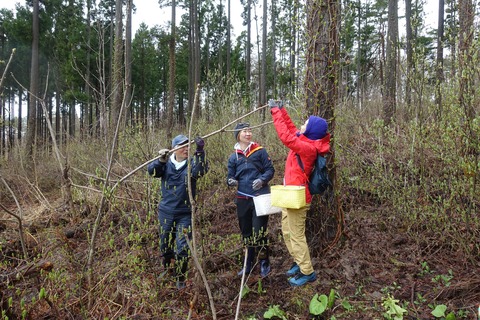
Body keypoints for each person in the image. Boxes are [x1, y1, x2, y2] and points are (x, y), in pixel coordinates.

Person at [268, 99, 331, 286]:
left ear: (311, 131)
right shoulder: (304, 139)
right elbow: (291, 128)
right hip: (289, 195)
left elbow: (286, 137)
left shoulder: (308, 148)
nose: (301, 125)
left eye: (306, 124)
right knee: (287, 232)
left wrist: (274, 112)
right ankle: (298, 260)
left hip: (298, 197)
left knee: (296, 235)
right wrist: (281, 109)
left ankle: (307, 271)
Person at [147, 134, 209, 289]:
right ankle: (167, 269)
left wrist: (200, 152)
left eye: (188, 146)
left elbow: (199, 172)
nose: (186, 149)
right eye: (182, 146)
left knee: (183, 247)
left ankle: (180, 277)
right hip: (166, 212)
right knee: (165, 245)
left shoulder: (192, 164)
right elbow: (152, 172)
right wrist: (160, 160)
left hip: (185, 214)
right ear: (174, 148)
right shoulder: (166, 164)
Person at [227, 122, 275, 278]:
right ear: (238, 135)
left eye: (249, 131)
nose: (248, 134)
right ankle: (248, 262)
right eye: (244, 131)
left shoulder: (260, 151)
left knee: (259, 231)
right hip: (242, 198)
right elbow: (230, 176)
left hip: (260, 198)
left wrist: (262, 180)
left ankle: (264, 262)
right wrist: (231, 181)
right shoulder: (233, 156)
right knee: (246, 232)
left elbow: (270, 170)